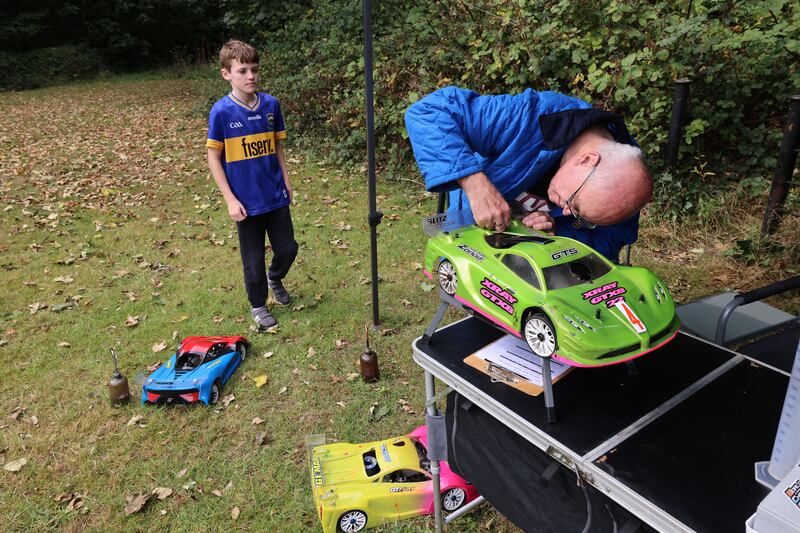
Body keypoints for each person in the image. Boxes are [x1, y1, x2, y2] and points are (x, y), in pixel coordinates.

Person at [405, 86, 653, 260]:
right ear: (587, 160)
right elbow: (429, 112)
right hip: (473, 239)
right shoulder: (530, 117)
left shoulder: (626, 180)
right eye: (574, 203)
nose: (568, 212)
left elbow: (608, 242)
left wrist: (559, 231)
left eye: (579, 215)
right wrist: (475, 184)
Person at [207, 40, 298, 329]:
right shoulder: (221, 112)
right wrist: (230, 199)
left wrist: (286, 179)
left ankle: (275, 277)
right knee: (253, 257)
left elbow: (277, 147)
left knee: (288, 248)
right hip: (245, 201)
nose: (251, 76)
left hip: (275, 193)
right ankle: (258, 305)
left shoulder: (271, 105)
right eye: (242, 71)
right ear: (226, 74)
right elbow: (213, 158)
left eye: (254, 69)